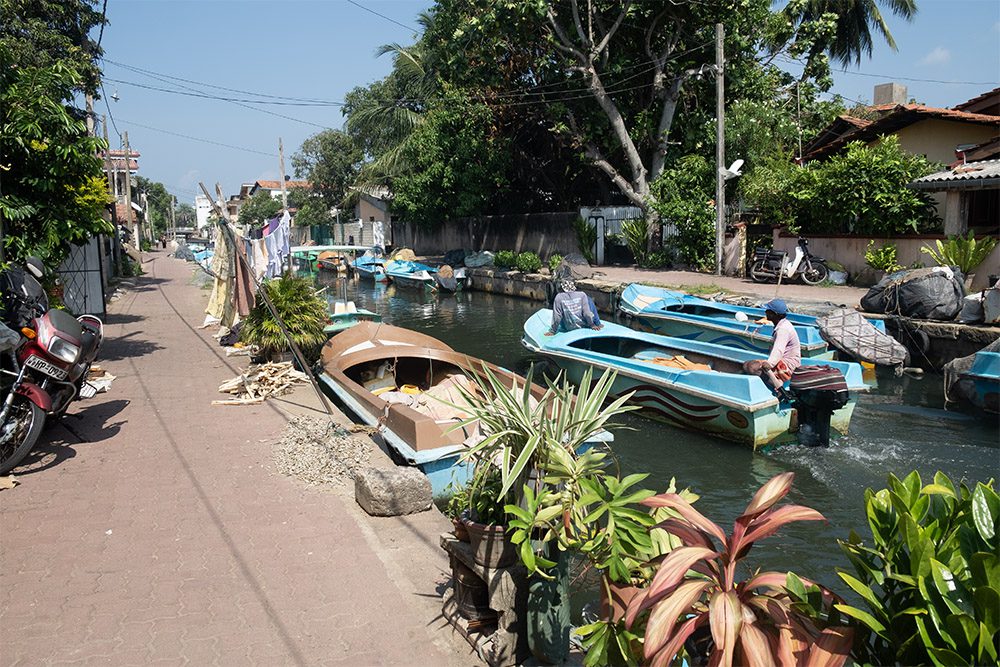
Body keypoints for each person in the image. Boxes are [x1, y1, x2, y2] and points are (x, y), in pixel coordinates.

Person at [742, 298, 801, 392]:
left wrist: (769, 363)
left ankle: (778, 386)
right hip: (783, 361)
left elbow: (778, 350)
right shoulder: (782, 324)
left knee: (751, 367)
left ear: (774, 314)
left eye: (768, 311)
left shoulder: (783, 330)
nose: (765, 312)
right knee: (746, 365)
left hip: (788, 366)